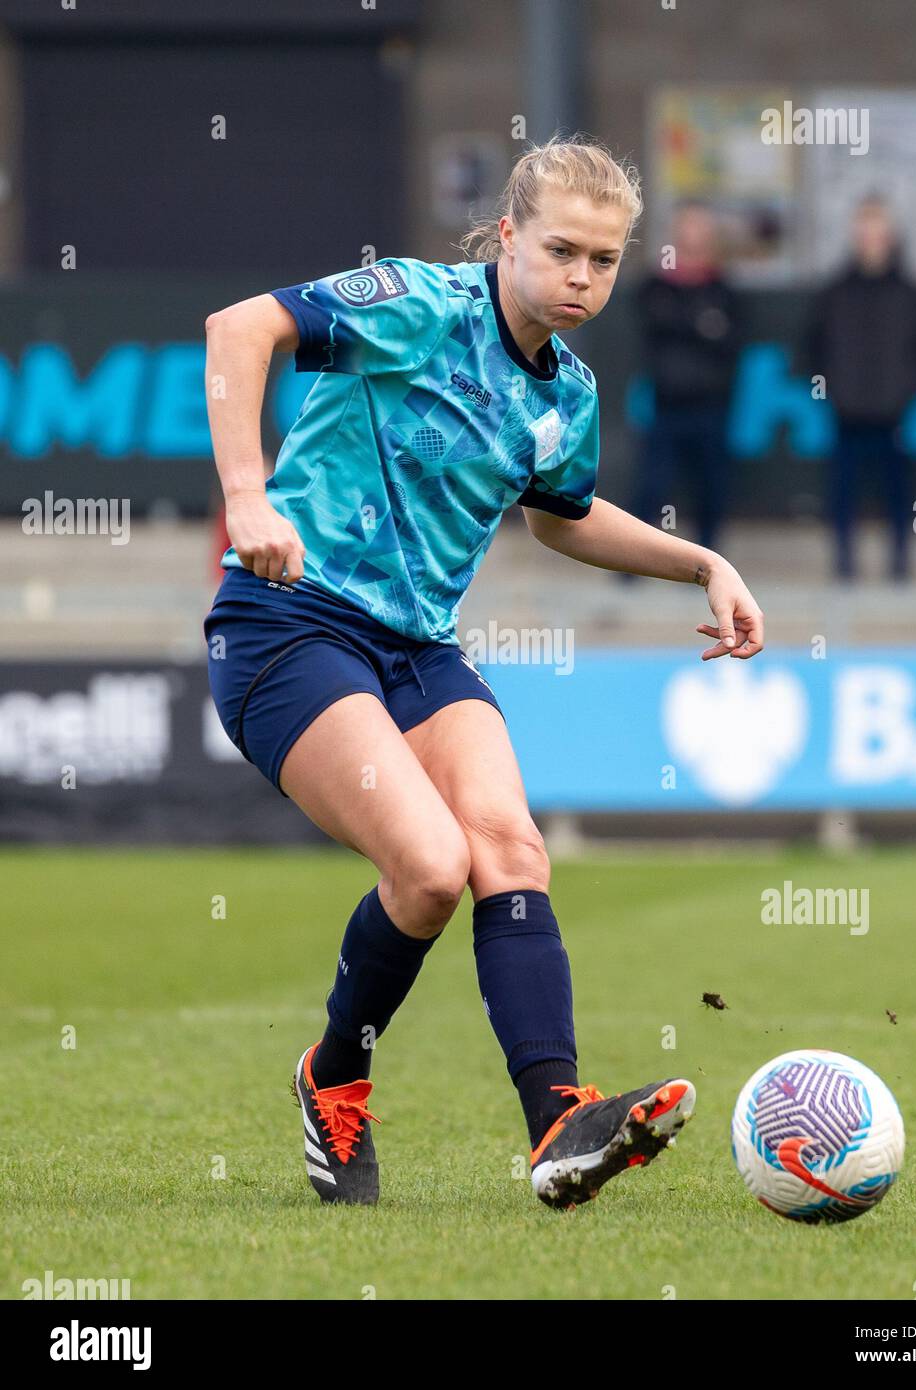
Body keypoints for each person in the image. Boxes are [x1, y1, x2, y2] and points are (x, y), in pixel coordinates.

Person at [202, 135, 765, 1212]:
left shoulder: (568, 391)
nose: (581, 279)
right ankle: (332, 1078)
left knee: (508, 845)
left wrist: (702, 562)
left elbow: (561, 520)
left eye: (603, 261)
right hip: (287, 626)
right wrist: (245, 495)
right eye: (560, 251)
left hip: (416, 650)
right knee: (425, 867)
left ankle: (557, 1118)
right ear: (507, 236)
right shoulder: (413, 303)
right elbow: (242, 327)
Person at [806, 195, 916, 581]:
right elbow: (814, 349)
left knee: (898, 492)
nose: (871, 238)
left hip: (895, 416)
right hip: (846, 415)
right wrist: (834, 393)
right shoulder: (834, 293)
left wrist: (905, 393)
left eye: (878, 229)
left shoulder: (911, 293)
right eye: (864, 229)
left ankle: (900, 565)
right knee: (843, 492)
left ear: (891, 235)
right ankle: (844, 564)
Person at [631, 200, 740, 551]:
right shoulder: (656, 287)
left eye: (701, 228)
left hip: (711, 407)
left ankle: (709, 565)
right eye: (687, 227)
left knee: (711, 489)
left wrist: (691, 325)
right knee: (651, 486)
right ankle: (630, 562)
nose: (693, 236)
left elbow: (729, 341)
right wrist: (701, 325)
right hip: (666, 406)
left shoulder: (724, 290)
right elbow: (658, 326)